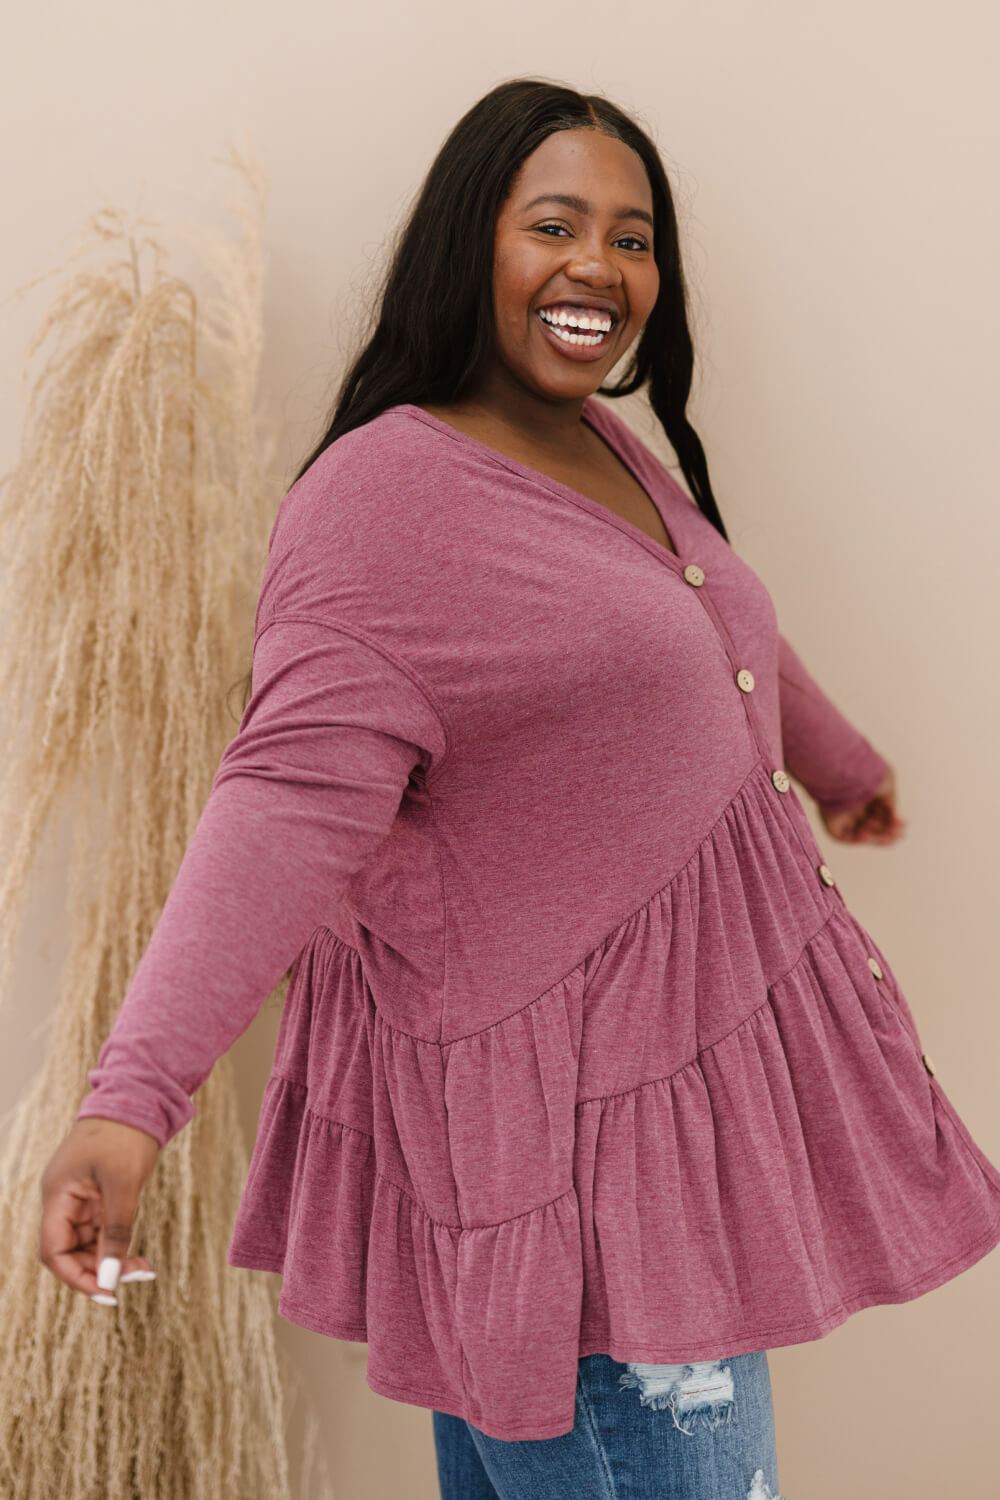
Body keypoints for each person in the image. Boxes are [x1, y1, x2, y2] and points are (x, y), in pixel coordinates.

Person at [38, 78, 1000, 1500]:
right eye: (554, 225)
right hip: (575, 1176)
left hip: (649, 1141)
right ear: (467, 244)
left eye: (632, 237)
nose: (598, 266)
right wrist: (131, 1105)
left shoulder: (596, 439)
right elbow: (282, 808)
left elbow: (700, 614)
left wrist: (836, 764)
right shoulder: (379, 505)